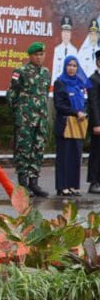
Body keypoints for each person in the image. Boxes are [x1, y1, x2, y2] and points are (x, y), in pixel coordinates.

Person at [8, 42, 51, 198]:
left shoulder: (46, 72)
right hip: (25, 118)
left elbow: (45, 94)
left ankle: (34, 182)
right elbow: (12, 94)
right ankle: (23, 183)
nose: (39, 57)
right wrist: (19, 113)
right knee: (24, 150)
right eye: (36, 55)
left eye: (42, 54)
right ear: (30, 56)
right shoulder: (21, 71)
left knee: (38, 149)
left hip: (41, 119)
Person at [53, 56, 88, 197]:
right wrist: (76, 112)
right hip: (65, 124)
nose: (72, 68)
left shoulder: (80, 83)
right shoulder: (60, 83)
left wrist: (84, 113)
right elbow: (59, 105)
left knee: (75, 155)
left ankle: (73, 186)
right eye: (69, 65)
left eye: (74, 65)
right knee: (64, 156)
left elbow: (86, 102)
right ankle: (62, 187)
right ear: (65, 67)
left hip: (79, 123)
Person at [87, 48, 100, 194]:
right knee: (96, 153)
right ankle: (93, 182)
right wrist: (96, 124)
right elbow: (93, 103)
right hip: (98, 123)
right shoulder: (92, 79)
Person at [52, 15, 75, 82]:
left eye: (68, 32)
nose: (66, 34)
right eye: (64, 31)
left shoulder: (74, 51)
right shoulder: (56, 50)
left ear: (70, 34)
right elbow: (54, 70)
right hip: (59, 83)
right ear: (61, 33)